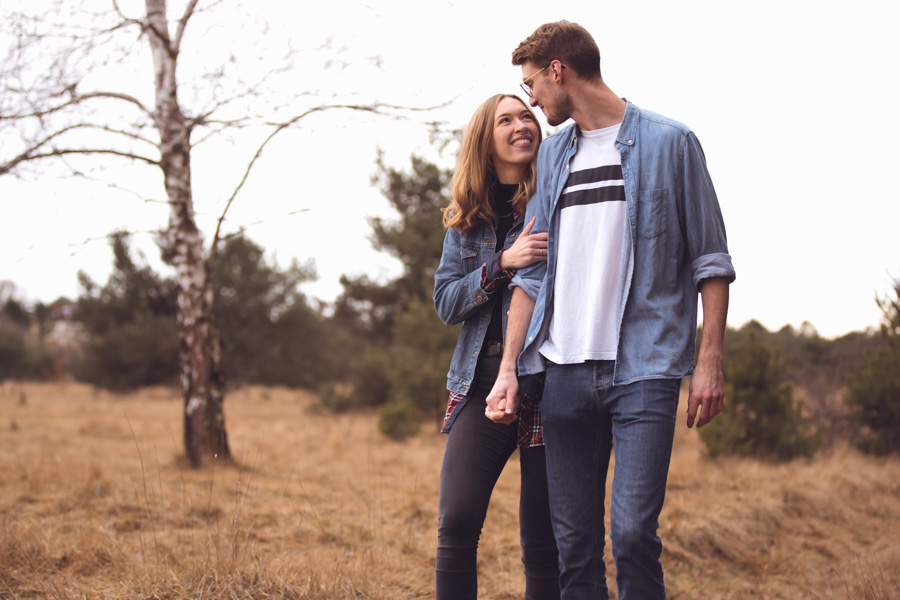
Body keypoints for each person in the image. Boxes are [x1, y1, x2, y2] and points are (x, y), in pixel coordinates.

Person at [485, 21, 737, 600]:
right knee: (573, 544)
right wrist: (508, 371)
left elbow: (712, 261)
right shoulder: (552, 159)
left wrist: (709, 362)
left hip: (644, 369)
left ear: (559, 71)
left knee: (630, 534)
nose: (531, 101)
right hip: (563, 373)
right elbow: (533, 270)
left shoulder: (671, 143)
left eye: (532, 85)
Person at [433, 93, 560, 600]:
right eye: (505, 120)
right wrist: (501, 263)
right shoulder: (468, 219)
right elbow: (446, 302)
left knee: (544, 538)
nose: (520, 125)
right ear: (486, 141)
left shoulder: (556, 199)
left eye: (526, 115)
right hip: (480, 383)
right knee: (457, 519)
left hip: (550, 382)